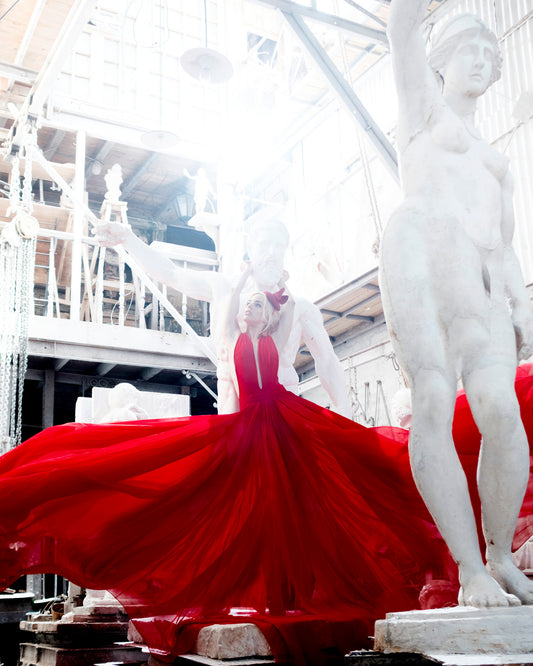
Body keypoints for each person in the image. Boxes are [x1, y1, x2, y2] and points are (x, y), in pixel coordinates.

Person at [0, 262, 480, 664]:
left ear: (267, 316)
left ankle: (293, 597)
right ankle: (275, 598)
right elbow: (234, 325)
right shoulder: (234, 336)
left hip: (281, 421)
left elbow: (282, 340)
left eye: (258, 305)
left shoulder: (271, 336)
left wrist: (280, 303)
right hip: (253, 427)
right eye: (248, 304)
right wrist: (248, 277)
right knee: (253, 507)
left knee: (303, 506)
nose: (252, 308)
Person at [380, 1, 533, 608]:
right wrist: (409, 13)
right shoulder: (424, 113)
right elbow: (401, 31)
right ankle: (468, 567)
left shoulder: (497, 161)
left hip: (484, 279)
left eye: (490, 54)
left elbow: (508, 242)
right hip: (421, 256)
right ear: (442, 60)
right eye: (470, 48)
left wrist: (520, 302)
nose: (483, 60)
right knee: (434, 400)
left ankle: (498, 557)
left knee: (501, 411)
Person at [95, 217, 351, 418]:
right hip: (234, 421)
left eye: (279, 247)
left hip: (284, 423)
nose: (272, 252)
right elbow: (170, 274)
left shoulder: (302, 309)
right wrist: (128, 239)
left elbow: (327, 360)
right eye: (265, 244)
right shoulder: (223, 290)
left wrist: (344, 415)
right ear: (250, 251)